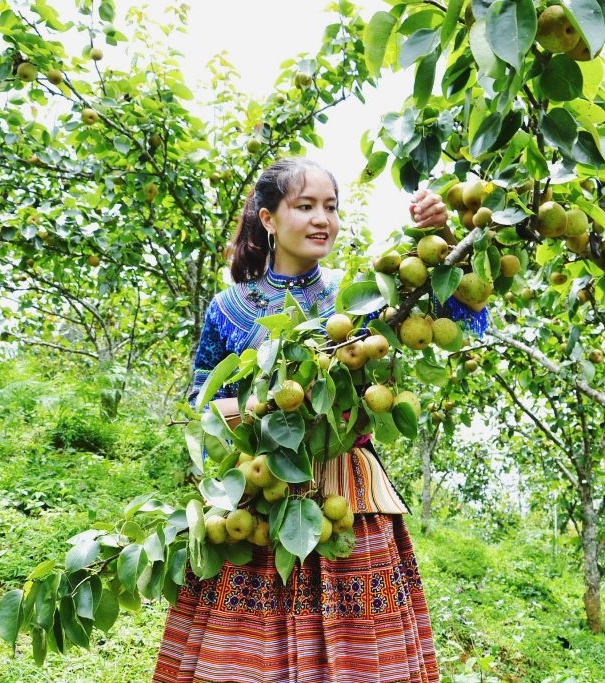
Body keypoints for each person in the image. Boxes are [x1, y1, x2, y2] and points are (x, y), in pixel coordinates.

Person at [152, 157, 476, 683]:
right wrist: (257, 411)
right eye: (304, 206)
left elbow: (464, 315)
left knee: (358, 653)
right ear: (268, 219)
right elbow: (202, 397)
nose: (321, 218)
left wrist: (442, 234)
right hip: (260, 497)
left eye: (330, 207)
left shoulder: (360, 299)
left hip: (347, 496)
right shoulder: (229, 307)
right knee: (245, 656)